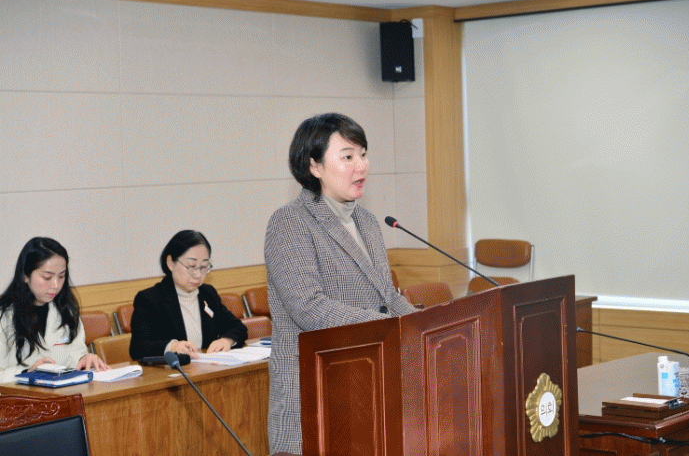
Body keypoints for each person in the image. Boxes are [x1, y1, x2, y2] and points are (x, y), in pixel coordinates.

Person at [265, 112, 417, 454]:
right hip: (315, 394)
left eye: (363, 154)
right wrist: (389, 328)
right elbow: (309, 308)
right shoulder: (290, 222)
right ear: (314, 166)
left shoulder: (368, 221)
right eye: (347, 157)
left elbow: (387, 296)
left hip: (367, 390)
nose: (361, 166)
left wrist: (422, 326)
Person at [0, 237, 110, 383]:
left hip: (63, 394)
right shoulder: (4, 316)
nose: (56, 285)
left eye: (61, 276)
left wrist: (84, 360)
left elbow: (75, 355)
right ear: (25, 275)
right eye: (47, 277)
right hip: (17, 396)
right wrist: (27, 373)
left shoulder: (67, 312)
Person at [129, 230, 247, 360]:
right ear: (170, 262)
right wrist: (172, 347)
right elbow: (138, 347)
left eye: (203, 267)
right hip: (173, 371)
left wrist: (227, 340)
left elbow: (238, 327)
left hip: (207, 368)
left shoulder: (208, 294)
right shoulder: (150, 299)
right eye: (191, 266)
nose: (198, 275)